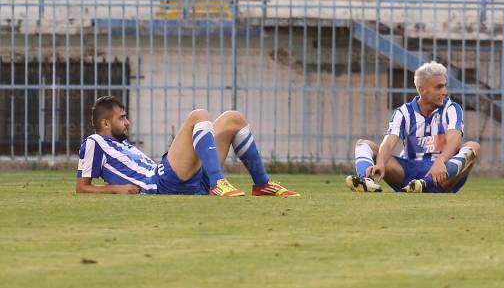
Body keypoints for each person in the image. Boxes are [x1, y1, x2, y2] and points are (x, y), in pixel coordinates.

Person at [76, 96, 299, 197]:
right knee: (199, 115)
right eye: (122, 118)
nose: (127, 122)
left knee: (234, 118)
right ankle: (218, 182)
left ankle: (262, 185)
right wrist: (116, 189)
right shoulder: (94, 142)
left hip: (182, 180)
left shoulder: (123, 145)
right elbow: (82, 187)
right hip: (161, 182)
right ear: (105, 123)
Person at [345, 61, 480, 193]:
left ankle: (424, 184)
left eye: (445, 86)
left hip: (443, 174)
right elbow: (388, 142)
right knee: (363, 144)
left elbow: (455, 141)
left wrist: (440, 162)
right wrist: (380, 163)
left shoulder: (452, 109)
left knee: (473, 146)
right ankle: (366, 181)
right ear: (422, 90)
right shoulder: (404, 112)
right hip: (408, 173)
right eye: (439, 87)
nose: (444, 92)